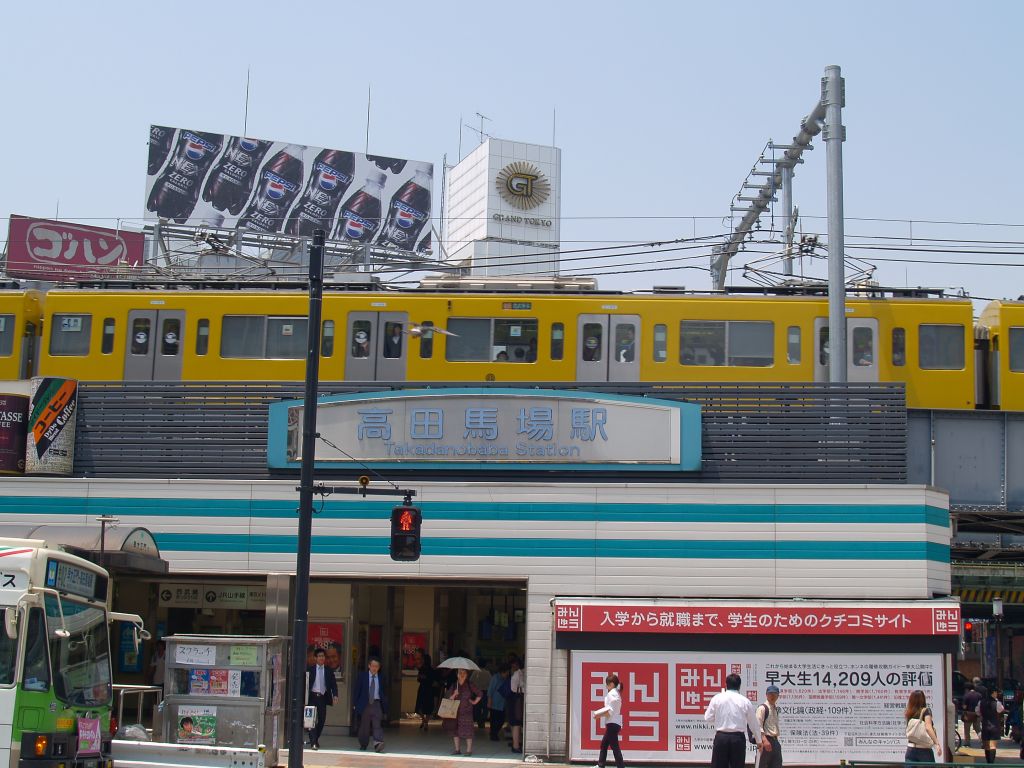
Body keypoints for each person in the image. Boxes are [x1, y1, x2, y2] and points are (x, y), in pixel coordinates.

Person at [704, 673, 768, 768]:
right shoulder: (745, 701)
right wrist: (759, 741)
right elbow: (753, 724)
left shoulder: (717, 698)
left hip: (721, 737)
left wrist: (719, 717)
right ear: (739, 686)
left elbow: (708, 718)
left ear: (726, 684)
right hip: (738, 739)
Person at [443, 667, 482, 756]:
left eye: (464, 672)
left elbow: (480, 693)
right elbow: (448, 698)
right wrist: (454, 694)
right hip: (455, 712)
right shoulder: (454, 685)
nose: (462, 674)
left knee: (468, 731)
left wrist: (474, 702)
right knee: (455, 731)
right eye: (460, 672)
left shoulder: (470, 684)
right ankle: (457, 750)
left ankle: (469, 750)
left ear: (467, 674)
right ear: (457, 674)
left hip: (466, 712)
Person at [306, 648, 338, 751]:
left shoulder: (329, 670)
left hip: (323, 698)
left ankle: (315, 739)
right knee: (310, 720)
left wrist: (335, 695)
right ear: (315, 658)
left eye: (323, 656)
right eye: (319, 656)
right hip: (312, 697)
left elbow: (333, 684)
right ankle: (313, 742)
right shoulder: (310, 670)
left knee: (322, 719)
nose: (321, 658)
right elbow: (305, 684)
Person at [352, 657, 387, 752]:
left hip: (376, 703)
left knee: (377, 724)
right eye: (373, 666)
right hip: (365, 703)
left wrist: (385, 705)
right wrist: (355, 703)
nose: (374, 668)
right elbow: (357, 690)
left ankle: (378, 743)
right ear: (369, 666)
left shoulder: (381, 677)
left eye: (377, 666)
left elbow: (384, 692)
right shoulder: (362, 676)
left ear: (379, 667)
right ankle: (363, 744)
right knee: (364, 725)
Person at [592, 672, 625, 768]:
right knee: (604, 745)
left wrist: (598, 715)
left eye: (607, 684)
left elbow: (609, 712)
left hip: (612, 724)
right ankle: (601, 765)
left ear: (611, 684)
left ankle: (620, 766)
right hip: (615, 724)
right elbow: (611, 710)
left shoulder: (611, 695)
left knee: (615, 747)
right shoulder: (617, 694)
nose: (606, 686)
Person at [904, 689, 939, 764]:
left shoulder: (909, 712)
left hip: (910, 749)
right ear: (923, 699)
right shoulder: (926, 711)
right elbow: (928, 727)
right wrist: (937, 744)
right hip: (924, 749)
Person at [977, 685, 1004, 764]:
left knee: (986, 746)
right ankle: (991, 763)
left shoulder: (981, 702)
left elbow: (977, 712)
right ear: (993, 693)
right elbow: (1001, 709)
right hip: (994, 726)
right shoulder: (997, 703)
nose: (997, 694)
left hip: (985, 725)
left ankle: (988, 762)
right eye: (996, 692)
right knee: (992, 746)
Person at [757, 685, 782, 768]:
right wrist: (764, 740)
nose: (772, 696)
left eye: (775, 694)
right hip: (766, 740)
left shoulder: (775, 709)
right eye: (770, 694)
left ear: (778, 696)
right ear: (766, 695)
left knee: (776, 765)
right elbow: (758, 726)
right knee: (762, 765)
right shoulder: (762, 708)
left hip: (775, 741)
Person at [487, 663, 510, 741]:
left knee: (501, 720)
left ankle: (494, 733)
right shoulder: (495, 678)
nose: (508, 673)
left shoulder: (506, 679)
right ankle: (493, 734)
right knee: (494, 720)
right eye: (507, 672)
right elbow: (490, 690)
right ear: (503, 671)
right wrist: (489, 702)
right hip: (494, 703)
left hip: (502, 704)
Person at [509, 657, 525, 753]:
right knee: (516, 723)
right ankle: (516, 745)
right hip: (518, 699)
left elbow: (513, 688)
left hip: (515, 699)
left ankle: (516, 744)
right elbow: (516, 688)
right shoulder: (520, 673)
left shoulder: (517, 674)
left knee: (515, 723)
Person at [415, 650, 434, 731]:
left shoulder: (422, 669)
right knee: (428, 707)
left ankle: (424, 720)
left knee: (420, 706)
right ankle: (426, 722)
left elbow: (419, 679)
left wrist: (422, 677)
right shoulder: (431, 669)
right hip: (429, 689)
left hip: (423, 689)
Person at [473, 659, 492, 728]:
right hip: (485, 692)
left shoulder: (475, 672)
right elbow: (490, 683)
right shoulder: (487, 673)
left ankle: (479, 720)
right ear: (485, 665)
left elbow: (471, 681)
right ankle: (482, 720)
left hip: (476, 692)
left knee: (477, 707)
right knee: (485, 708)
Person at [963, 683, 982, 747]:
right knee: (978, 729)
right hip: (977, 714)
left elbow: (964, 706)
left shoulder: (967, 695)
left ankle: (967, 743)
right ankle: (983, 741)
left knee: (967, 729)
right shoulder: (979, 695)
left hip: (969, 714)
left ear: (967, 689)